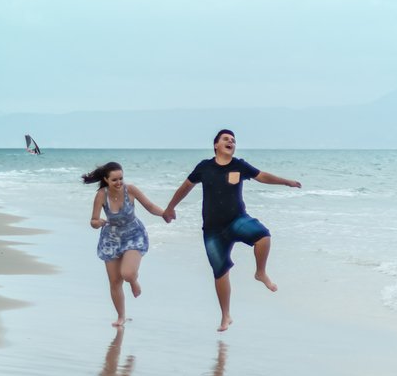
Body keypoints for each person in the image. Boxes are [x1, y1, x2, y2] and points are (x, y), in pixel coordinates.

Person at [162, 129, 301, 331]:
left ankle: (260, 273)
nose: (230, 142)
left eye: (233, 140)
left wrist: (285, 181)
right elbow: (185, 187)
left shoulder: (239, 165)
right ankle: (226, 316)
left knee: (263, 236)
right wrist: (170, 207)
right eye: (226, 139)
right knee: (220, 272)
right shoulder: (204, 167)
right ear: (216, 145)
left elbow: (262, 176)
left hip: (237, 220)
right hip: (213, 230)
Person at [83, 162, 166, 327]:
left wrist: (165, 213)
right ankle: (121, 317)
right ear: (106, 179)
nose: (119, 182)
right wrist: (97, 223)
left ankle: (133, 281)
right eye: (114, 180)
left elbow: (150, 206)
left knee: (127, 274)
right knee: (115, 282)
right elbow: (93, 220)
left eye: (121, 178)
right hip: (111, 239)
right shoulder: (101, 195)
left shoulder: (131, 190)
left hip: (134, 235)